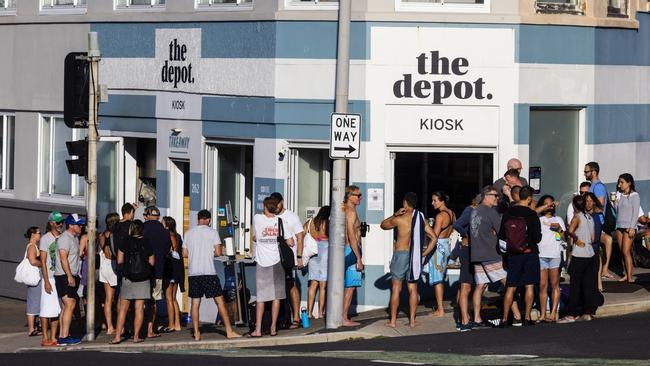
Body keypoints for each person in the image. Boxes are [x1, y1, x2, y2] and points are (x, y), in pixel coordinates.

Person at [381, 192, 437, 328]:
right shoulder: (421, 218)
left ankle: (393, 321)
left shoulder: (400, 218)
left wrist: (395, 214)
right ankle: (412, 321)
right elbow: (434, 238)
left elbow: (383, 225)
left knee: (396, 288)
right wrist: (424, 253)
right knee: (413, 289)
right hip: (415, 256)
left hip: (401, 254)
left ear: (405, 203)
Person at [183, 210, 241, 341]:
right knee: (220, 302)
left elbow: (185, 253)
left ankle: (197, 333)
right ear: (208, 220)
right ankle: (229, 331)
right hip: (209, 272)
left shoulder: (188, 233)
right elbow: (219, 252)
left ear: (198, 219)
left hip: (194, 273)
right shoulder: (213, 232)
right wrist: (209, 253)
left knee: (195, 303)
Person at [470, 186, 522, 328]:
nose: (497, 198)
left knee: (480, 286)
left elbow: (466, 227)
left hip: (476, 254)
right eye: (495, 195)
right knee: (509, 284)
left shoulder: (474, 211)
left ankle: (477, 319)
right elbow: (503, 232)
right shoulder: (490, 212)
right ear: (486, 196)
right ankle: (517, 317)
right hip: (490, 254)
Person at [250, 198, 295, 337]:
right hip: (277, 262)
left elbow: (255, 237)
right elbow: (290, 242)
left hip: (262, 263)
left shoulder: (257, 219)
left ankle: (257, 329)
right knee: (277, 296)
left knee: (261, 298)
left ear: (264, 207)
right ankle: (273, 327)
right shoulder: (281, 222)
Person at [499, 186, 542, 327]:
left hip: (514, 255)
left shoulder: (508, 213)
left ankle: (504, 319)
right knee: (529, 285)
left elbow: (502, 236)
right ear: (529, 198)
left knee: (511, 287)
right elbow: (537, 238)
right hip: (530, 253)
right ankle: (527, 317)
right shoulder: (532, 214)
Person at [111, 220, 155, 344]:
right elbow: (152, 262)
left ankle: (117, 337)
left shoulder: (125, 240)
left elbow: (119, 260)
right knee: (139, 308)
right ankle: (136, 336)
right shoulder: (146, 242)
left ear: (131, 229)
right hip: (143, 279)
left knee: (123, 309)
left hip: (128, 278)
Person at [559, 195, 597, 323]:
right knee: (588, 285)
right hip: (590, 253)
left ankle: (571, 314)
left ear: (574, 206)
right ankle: (588, 312)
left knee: (575, 286)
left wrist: (575, 238)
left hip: (579, 255)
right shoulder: (590, 218)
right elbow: (592, 239)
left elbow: (570, 231)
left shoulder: (577, 217)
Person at [270, 192, 305, 329]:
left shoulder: (291, 216)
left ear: (282, 202)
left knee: (291, 285)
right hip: (272, 257)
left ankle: (296, 318)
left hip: (288, 258)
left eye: (277, 203)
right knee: (275, 288)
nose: (275, 207)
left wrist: (299, 257)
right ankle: (278, 319)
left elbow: (300, 236)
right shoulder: (269, 216)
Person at [422, 191, 456, 317]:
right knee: (440, 278)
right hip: (446, 245)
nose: (432, 203)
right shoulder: (452, 214)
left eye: (435, 200)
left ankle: (440, 309)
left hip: (438, 248)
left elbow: (434, 236)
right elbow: (452, 230)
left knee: (437, 280)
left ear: (442, 201)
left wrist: (425, 228)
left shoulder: (440, 216)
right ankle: (440, 307)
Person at [54, 213, 85, 345]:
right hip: (65, 276)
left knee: (67, 306)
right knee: (70, 304)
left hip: (70, 275)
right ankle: (64, 336)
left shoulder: (74, 237)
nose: (81, 227)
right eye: (79, 225)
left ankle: (63, 334)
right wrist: (69, 276)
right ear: (71, 225)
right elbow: (63, 258)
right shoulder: (65, 238)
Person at [452, 194, 480, 331]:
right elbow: (457, 224)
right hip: (467, 250)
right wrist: (466, 235)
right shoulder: (470, 210)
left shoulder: (478, 212)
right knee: (466, 287)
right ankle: (463, 321)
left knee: (467, 286)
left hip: (474, 250)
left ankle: (461, 317)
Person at [142, 205, 171, 338]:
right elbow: (166, 251)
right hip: (158, 270)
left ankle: (134, 329)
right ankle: (149, 329)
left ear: (147, 215)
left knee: (138, 301)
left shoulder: (141, 228)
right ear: (158, 216)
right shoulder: (164, 232)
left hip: (140, 271)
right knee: (153, 301)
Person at [536, 195, 565, 323]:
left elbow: (564, 237)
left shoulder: (558, 219)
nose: (549, 206)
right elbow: (532, 211)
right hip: (541, 255)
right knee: (542, 286)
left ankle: (553, 313)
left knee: (554, 285)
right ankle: (542, 314)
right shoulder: (538, 219)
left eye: (551, 203)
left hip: (554, 255)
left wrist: (558, 229)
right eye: (546, 204)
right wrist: (545, 206)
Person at [584, 162, 614, 280]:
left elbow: (600, 205)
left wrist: (587, 210)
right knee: (596, 247)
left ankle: (604, 269)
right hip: (592, 220)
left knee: (599, 245)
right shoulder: (592, 186)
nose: (584, 173)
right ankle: (599, 270)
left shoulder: (598, 186)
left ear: (594, 172)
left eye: (586, 171)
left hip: (597, 221)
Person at [39, 212, 63, 347]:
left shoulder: (64, 237)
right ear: (51, 223)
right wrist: (46, 280)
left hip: (60, 276)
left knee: (56, 309)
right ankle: (45, 337)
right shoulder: (45, 239)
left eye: (62, 222)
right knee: (45, 308)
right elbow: (42, 261)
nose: (61, 225)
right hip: (50, 277)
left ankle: (53, 337)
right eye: (58, 222)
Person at [613, 173, 641, 284]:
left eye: (622, 182)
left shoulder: (635, 195)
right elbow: (618, 211)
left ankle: (630, 276)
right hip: (619, 225)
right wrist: (615, 203)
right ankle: (626, 274)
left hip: (629, 226)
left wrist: (632, 227)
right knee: (622, 252)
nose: (619, 185)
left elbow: (635, 212)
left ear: (629, 183)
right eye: (619, 182)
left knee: (626, 251)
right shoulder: (620, 195)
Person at [342, 185, 363, 326]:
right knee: (350, 287)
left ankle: (341, 316)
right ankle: (344, 318)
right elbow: (351, 235)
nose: (360, 197)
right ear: (350, 196)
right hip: (351, 250)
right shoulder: (350, 212)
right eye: (357, 195)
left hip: (346, 250)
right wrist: (359, 258)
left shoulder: (344, 209)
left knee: (346, 286)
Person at [305, 206, 331, 320]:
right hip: (325, 251)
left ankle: (309, 313)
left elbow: (302, 233)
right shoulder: (328, 223)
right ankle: (321, 313)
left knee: (313, 284)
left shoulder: (310, 222)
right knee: (323, 285)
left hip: (313, 251)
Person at [98, 213, 120, 335]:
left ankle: (109, 326)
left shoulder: (102, 235)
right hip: (113, 266)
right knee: (120, 298)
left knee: (108, 299)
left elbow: (103, 250)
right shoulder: (115, 234)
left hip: (104, 266)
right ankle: (120, 324)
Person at [161, 216, 184, 333]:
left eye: (162, 222)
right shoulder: (178, 235)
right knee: (173, 298)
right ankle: (177, 324)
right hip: (177, 269)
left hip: (170, 268)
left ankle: (171, 324)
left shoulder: (169, 235)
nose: (161, 224)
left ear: (167, 225)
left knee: (169, 298)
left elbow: (173, 249)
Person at [23, 226, 42, 337]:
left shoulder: (34, 246)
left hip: (37, 276)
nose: (40, 235)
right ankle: (31, 329)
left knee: (36, 301)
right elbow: (32, 261)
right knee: (33, 302)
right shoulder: (32, 247)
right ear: (33, 235)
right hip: (35, 277)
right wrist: (43, 263)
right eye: (39, 233)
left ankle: (35, 326)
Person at [584, 192, 605, 292]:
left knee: (594, 267)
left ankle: (598, 283)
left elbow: (598, 232)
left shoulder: (597, 216)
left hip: (593, 247)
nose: (588, 203)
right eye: (586, 201)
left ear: (594, 202)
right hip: (583, 248)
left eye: (591, 201)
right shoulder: (580, 215)